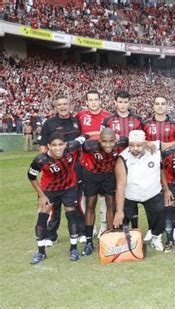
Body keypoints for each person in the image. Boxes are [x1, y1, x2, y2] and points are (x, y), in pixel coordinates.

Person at [28, 133, 88, 264]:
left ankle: (73, 249)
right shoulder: (40, 160)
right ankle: (41, 252)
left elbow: (85, 136)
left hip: (68, 188)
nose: (58, 148)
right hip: (49, 190)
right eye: (54, 145)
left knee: (71, 215)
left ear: (65, 144)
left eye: (60, 144)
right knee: (42, 217)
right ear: (48, 146)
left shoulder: (72, 147)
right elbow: (31, 177)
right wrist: (42, 195)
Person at [37, 96, 83, 246]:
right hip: (55, 172)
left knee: (74, 203)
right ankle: (51, 235)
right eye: (59, 105)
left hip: (74, 170)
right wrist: (49, 167)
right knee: (53, 206)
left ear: (70, 105)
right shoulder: (49, 124)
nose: (63, 107)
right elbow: (43, 148)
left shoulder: (76, 122)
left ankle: (80, 231)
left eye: (65, 104)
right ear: (55, 107)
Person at [112, 130, 167, 252]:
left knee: (159, 213)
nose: (135, 148)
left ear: (145, 142)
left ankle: (156, 237)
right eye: (132, 145)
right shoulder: (123, 158)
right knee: (120, 219)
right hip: (130, 195)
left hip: (152, 192)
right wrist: (119, 210)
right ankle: (123, 241)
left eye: (139, 145)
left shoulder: (156, 148)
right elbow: (120, 186)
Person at [80, 128, 128, 256]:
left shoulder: (122, 142)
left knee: (110, 205)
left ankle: (110, 237)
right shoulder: (89, 146)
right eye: (104, 142)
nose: (108, 145)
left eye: (111, 141)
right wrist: (94, 133)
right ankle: (89, 241)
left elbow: (135, 142)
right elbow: (77, 144)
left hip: (108, 176)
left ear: (115, 140)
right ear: (99, 140)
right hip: (91, 175)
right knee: (90, 205)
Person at [102, 91, 143, 230]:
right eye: (120, 101)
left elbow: (142, 141)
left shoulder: (138, 120)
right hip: (114, 164)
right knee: (116, 196)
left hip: (134, 164)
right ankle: (118, 227)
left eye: (125, 102)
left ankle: (135, 228)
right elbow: (102, 141)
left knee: (133, 196)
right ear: (115, 102)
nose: (123, 104)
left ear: (129, 103)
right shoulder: (107, 121)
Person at [142, 95, 175, 241]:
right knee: (152, 198)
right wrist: (151, 144)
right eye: (157, 103)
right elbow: (140, 140)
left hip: (171, 164)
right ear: (153, 106)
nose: (160, 106)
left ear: (166, 106)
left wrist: (163, 145)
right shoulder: (145, 124)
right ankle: (153, 228)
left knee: (172, 195)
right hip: (151, 166)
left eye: (163, 104)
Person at [76, 90, 112, 236]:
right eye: (90, 100)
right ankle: (89, 228)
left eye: (96, 99)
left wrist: (90, 134)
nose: (93, 102)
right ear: (86, 102)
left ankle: (104, 227)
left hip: (105, 163)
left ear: (100, 100)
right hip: (86, 163)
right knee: (87, 197)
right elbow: (77, 136)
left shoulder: (108, 116)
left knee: (105, 197)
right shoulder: (80, 116)